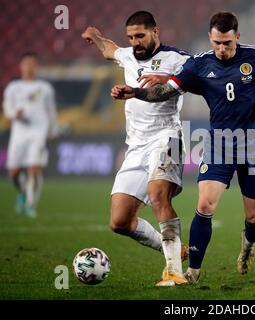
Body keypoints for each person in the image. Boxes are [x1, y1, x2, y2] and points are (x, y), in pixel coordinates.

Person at [110, 11, 255, 284]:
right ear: (210, 38)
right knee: (205, 204)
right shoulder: (198, 65)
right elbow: (166, 91)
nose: (221, 49)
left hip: (254, 144)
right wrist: (135, 92)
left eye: (227, 43)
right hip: (220, 142)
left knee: (254, 218)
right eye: (217, 43)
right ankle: (193, 271)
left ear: (237, 37)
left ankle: (248, 244)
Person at [81, 11, 191, 287]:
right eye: (131, 37)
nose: (135, 42)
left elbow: (193, 79)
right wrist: (95, 37)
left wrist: (162, 79)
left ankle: (174, 270)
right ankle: (176, 249)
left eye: (140, 35)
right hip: (137, 145)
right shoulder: (128, 55)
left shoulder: (178, 59)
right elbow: (111, 50)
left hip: (167, 136)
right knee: (120, 222)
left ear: (156, 31)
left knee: (157, 195)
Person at [3, 52, 59, 218]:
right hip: (19, 134)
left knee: (34, 169)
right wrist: (14, 113)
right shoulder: (13, 87)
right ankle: (22, 192)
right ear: (21, 66)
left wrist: (53, 130)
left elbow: (51, 111)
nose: (29, 67)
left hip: (38, 133)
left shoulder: (45, 88)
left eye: (32, 64)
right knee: (14, 173)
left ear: (36, 66)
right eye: (26, 63)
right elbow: (7, 108)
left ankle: (30, 204)